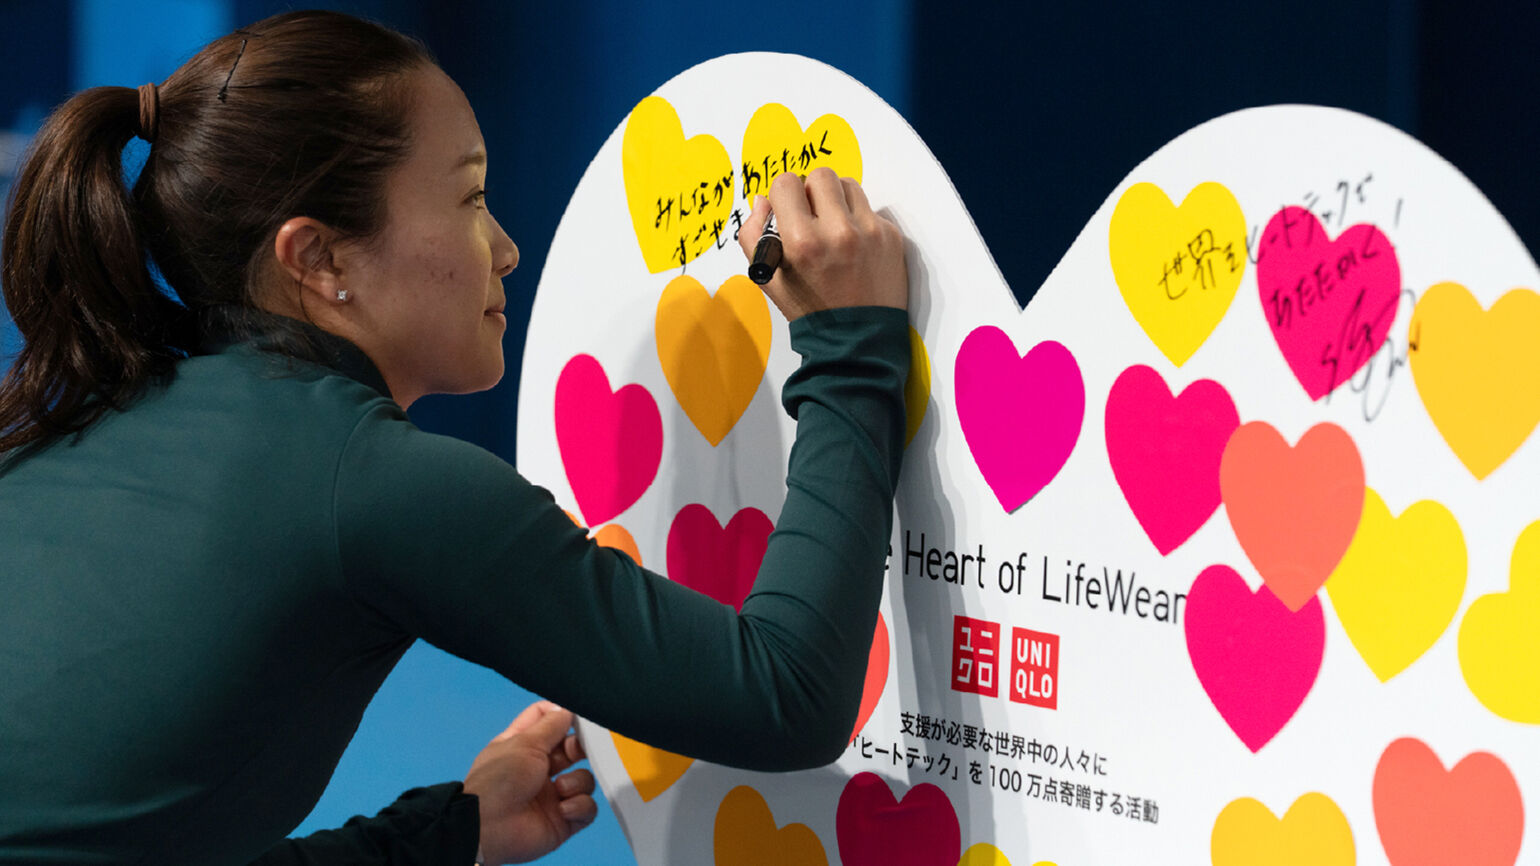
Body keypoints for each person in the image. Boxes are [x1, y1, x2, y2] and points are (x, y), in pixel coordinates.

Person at [0, 9, 908, 866]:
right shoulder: (375, 481)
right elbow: (788, 697)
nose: (507, 248)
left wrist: (446, 834)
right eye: (470, 199)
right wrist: (849, 343)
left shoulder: (80, 414)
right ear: (318, 259)